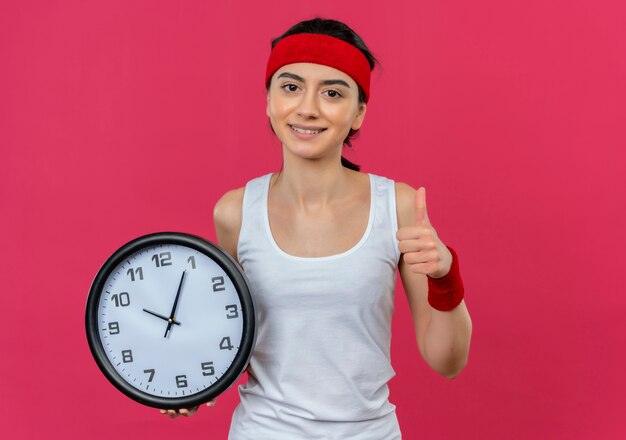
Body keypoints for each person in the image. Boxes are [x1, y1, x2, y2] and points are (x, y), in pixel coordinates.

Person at [160, 17, 472, 439]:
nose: (307, 107)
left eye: (332, 93)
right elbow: (229, 340)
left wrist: (444, 274)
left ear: (358, 112)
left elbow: (447, 362)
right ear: (269, 100)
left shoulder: (396, 207)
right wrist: (191, 385)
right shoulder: (234, 212)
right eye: (290, 87)